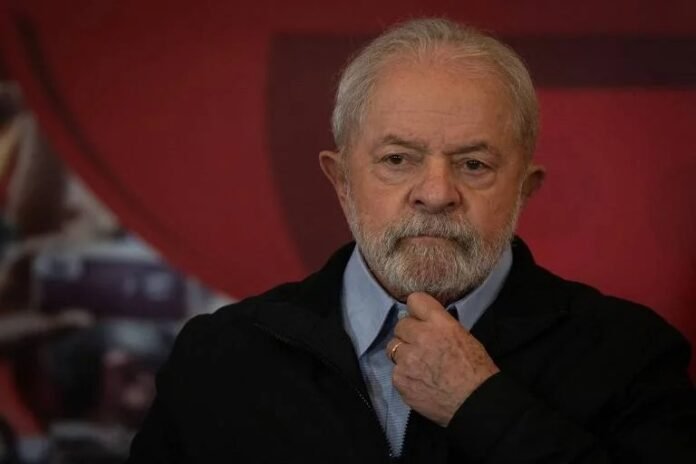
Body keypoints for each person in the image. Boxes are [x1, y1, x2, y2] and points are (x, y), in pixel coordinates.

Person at [127, 18, 696, 463]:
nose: (436, 193)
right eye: (398, 159)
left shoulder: (630, 355)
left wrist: (484, 407)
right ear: (341, 181)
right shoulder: (220, 357)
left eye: (474, 164)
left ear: (525, 189)